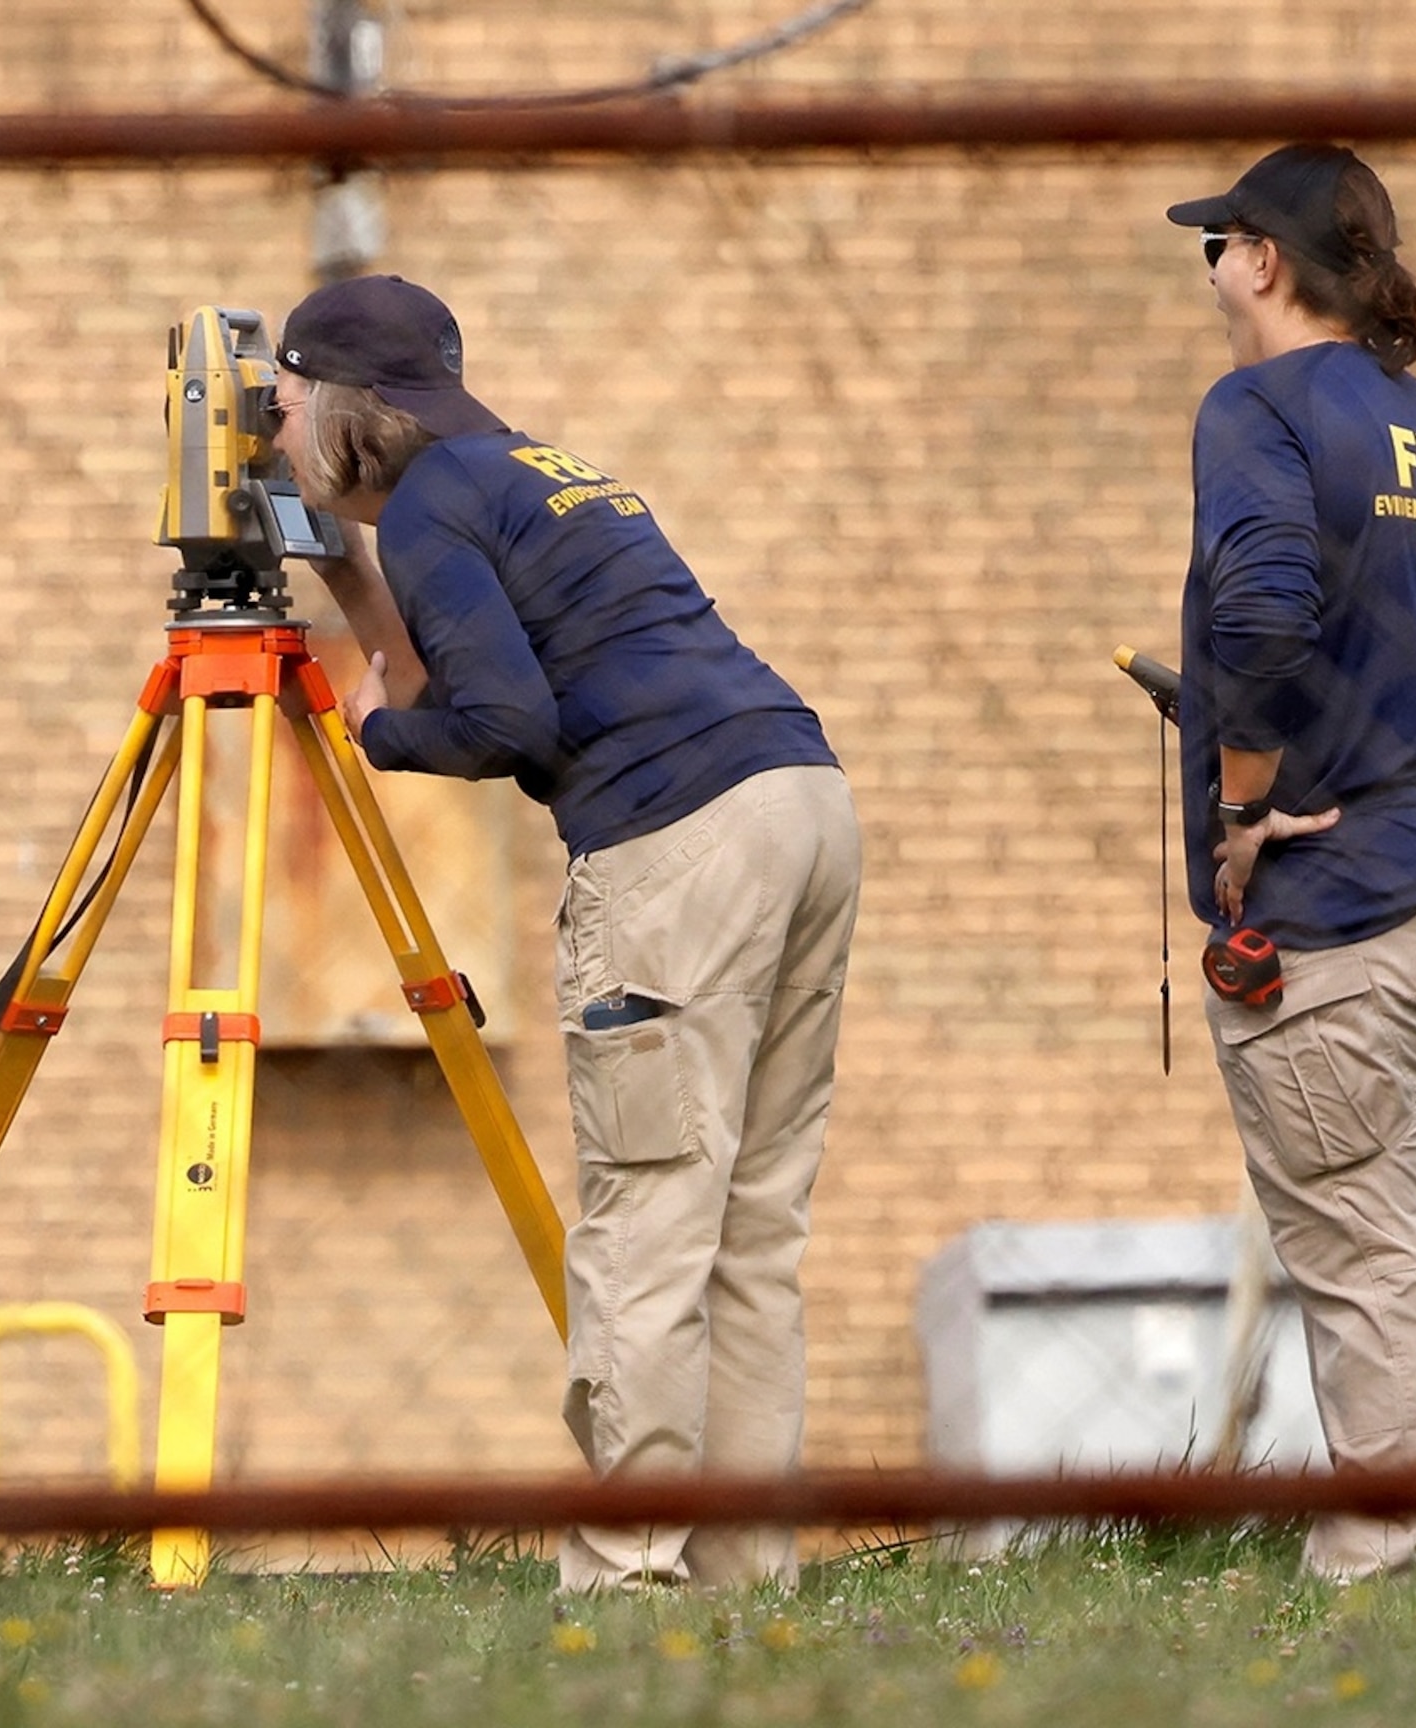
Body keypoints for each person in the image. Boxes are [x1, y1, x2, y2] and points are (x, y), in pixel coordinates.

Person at [265, 274, 860, 1592]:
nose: (282, 425)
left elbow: (501, 724)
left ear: (353, 407)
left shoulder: (430, 511)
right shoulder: (524, 472)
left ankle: (627, 1584)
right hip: (803, 803)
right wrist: (341, 574)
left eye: (293, 401)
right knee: (749, 1232)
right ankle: (741, 1582)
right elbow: (438, 654)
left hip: (678, 841)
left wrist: (373, 737)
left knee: (649, 1224)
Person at [1165, 145, 1416, 1583]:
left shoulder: (1254, 406)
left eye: (1218, 243)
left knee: (1369, 1251)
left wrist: (1244, 797)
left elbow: (1262, 608)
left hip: (1354, 910)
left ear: (1263, 260)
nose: (1207, 269)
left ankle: (1386, 1575)